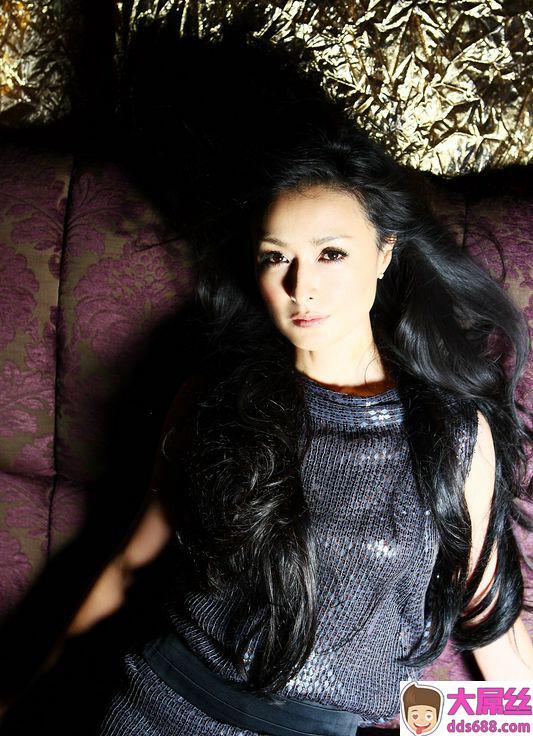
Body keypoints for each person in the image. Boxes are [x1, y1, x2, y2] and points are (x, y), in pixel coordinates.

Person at [31, 122, 533, 734]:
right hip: (155, 703)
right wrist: (26, 695)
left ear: (385, 252)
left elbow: (491, 631)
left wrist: (503, 720)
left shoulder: (451, 435)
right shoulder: (217, 399)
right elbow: (129, 567)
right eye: (276, 258)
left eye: (331, 253)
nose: (301, 286)